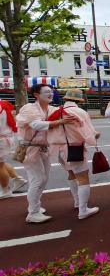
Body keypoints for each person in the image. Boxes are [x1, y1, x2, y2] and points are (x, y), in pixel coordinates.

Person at [16, 84, 77, 223]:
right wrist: (59, 121)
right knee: (37, 179)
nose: (50, 94)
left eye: (51, 91)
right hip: (30, 149)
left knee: (42, 179)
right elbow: (36, 124)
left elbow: (65, 112)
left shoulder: (50, 109)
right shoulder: (29, 108)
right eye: (46, 92)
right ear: (36, 95)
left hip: (42, 149)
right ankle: (32, 213)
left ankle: (35, 206)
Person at [47, 90, 101, 219]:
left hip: (59, 149)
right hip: (74, 149)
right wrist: (95, 136)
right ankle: (83, 210)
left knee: (71, 174)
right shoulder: (80, 112)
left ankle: (77, 202)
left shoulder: (55, 111)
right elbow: (90, 134)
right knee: (83, 178)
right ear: (79, 101)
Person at [0, 99, 27, 199]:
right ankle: (17, 178)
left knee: (0, 165)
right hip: (5, 137)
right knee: (1, 163)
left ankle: (5, 190)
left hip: (1, 138)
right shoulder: (3, 103)